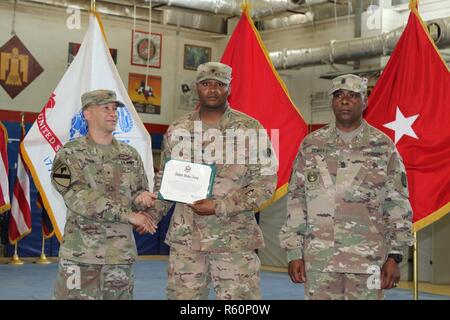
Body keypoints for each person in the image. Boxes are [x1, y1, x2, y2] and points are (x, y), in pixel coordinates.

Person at [147, 62, 278, 300]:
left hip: (233, 240)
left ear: (229, 88)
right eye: (206, 83)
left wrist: (220, 207)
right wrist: (151, 214)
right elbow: (165, 181)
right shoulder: (178, 129)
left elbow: (266, 183)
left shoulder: (250, 129)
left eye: (220, 84)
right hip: (186, 240)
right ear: (197, 87)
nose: (213, 89)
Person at [279, 74, 414, 300]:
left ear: (365, 101)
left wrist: (395, 255)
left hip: (368, 261)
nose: (344, 100)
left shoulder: (383, 146)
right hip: (320, 260)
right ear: (331, 101)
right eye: (338, 95)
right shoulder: (311, 145)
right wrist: (293, 251)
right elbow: (296, 201)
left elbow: (397, 203)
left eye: (353, 95)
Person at [51, 89, 157, 300]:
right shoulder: (69, 154)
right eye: (105, 108)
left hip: (119, 256)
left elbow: (137, 191)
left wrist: (142, 198)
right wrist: (128, 215)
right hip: (82, 255)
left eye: (115, 108)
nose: (113, 113)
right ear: (87, 114)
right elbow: (78, 197)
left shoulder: (130, 155)